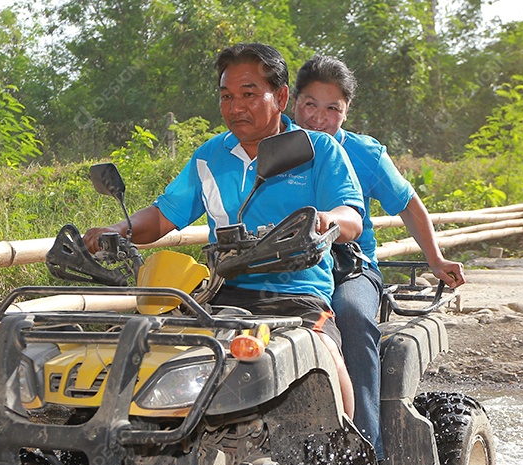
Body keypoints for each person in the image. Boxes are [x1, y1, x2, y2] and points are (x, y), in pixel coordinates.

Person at [82, 43, 365, 416]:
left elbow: (352, 217)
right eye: (226, 96)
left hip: (297, 298)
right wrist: (120, 229)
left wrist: (329, 220)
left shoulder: (318, 149)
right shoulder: (210, 155)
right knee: (142, 350)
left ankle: (351, 455)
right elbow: (164, 215)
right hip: (221, 293)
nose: (235, 107)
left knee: (326, 355)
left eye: (248, 94)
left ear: (281, 97)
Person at [291, 54, 464, 456]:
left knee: (350, 314)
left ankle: (368, 454)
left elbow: (408, 203)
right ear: (292, 102)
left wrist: (435, 259)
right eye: (310, 105)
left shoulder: (363, 153)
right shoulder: (270, 148)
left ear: (346, 113)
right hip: (284, 266)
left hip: (349, 266)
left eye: (332, 109)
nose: (319, 118)